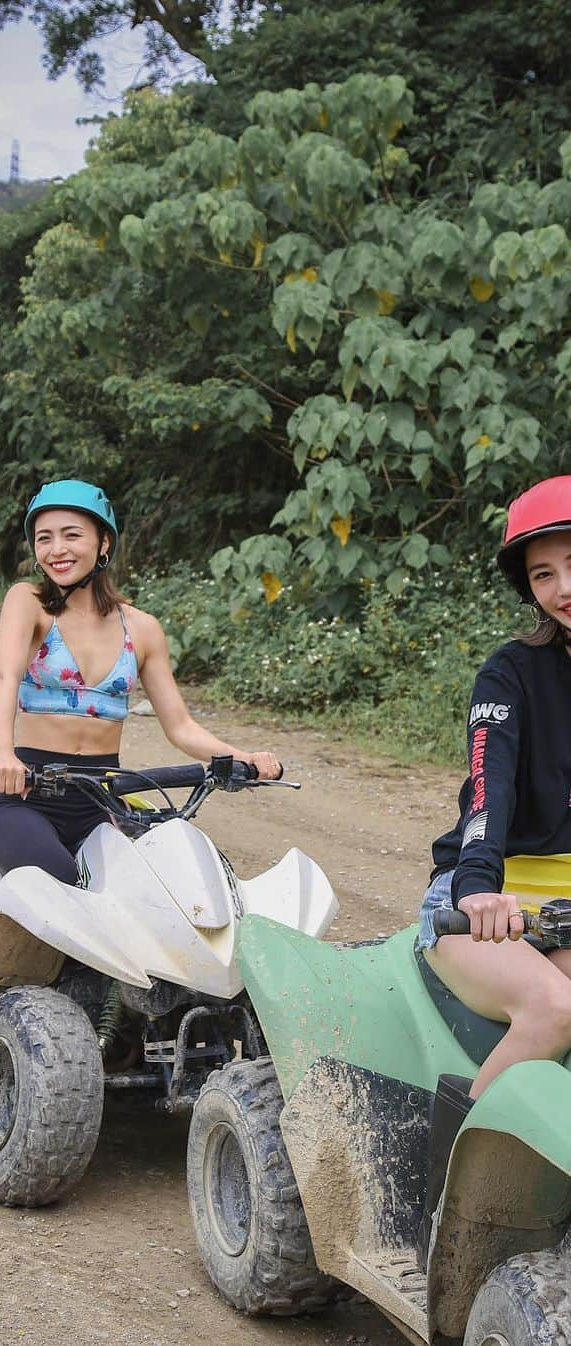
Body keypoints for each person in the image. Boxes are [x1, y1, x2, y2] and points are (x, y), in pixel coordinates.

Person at [414, 475, 571, 1260]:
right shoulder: (509, 674)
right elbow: (489, 789)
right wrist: (480, 888)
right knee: (553, 1011)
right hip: (481, 900)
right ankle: (447, 1213)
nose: (563, 588)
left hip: (570, 908)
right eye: (543, 574)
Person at [0, 479, 283, 884]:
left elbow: (180, 726)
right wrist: (2, 753)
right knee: (58, 888)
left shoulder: (142, 629)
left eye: (72, 535)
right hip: (27, 799)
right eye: (44, 538)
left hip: (100, 803)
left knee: (166, 889)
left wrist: (240, 757)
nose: (56, 549)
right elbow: (5, 677)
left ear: (103, 542)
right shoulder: (29, 602)